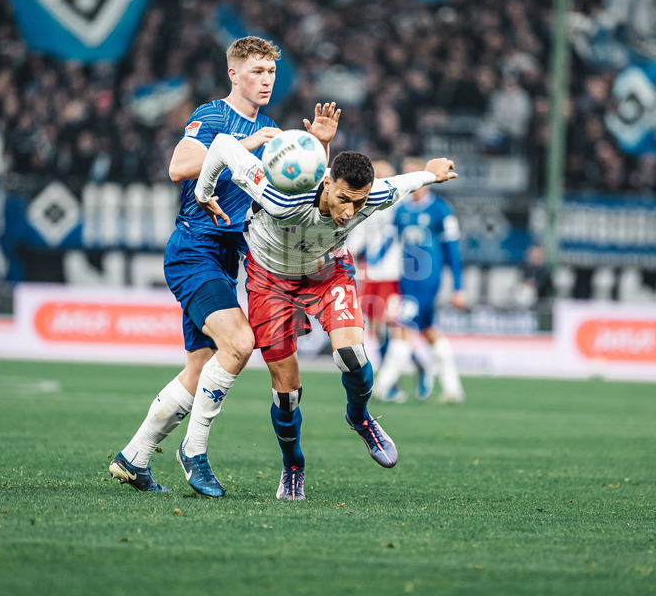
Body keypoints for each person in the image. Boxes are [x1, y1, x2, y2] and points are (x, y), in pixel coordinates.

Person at [108, 36, 340, 496]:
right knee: (239, 342)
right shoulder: (213, 116)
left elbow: (305, 196)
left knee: (200, 371)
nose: (266, 80)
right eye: (256, 72)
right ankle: (193, 453)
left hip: (229, 257)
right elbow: (179, 164)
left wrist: (318, 147)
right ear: (234, 74)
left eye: (271, 72)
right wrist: (249, 143)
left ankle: (133, 458)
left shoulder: (275, 126)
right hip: (194, 249)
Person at [195, 133, 458, 500]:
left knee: (352, 355)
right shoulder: (278, 197)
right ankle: (293, 467)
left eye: (359, 202)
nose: (350, 211)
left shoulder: (373, 197)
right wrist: (203, 191)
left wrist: (430, 173)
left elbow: (402, 183)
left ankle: (360, 417)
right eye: (343, 199)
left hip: (327, 271)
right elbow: (223, 144)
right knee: (286, 393)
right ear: (327, 183)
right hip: (270, 281)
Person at [373, 157, 467, 404]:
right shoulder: (402, 210)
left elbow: (453, 253)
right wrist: (367, 261)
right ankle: (453, 388)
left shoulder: (441, 209)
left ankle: (382, 386)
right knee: (428, 331)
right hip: (407, 282)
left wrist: (459, 288)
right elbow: (389, 242)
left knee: (402, 328)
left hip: (427, 283)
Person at [344, 159, 404, 393]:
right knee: (377, 329)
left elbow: (393, 236)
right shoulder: (364, 202)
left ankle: (393, 382)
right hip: (370, 274)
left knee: (390, 324)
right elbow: (357, 237)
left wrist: (373, 258)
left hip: (391, 273)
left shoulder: (398, 203)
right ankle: (393, 376)